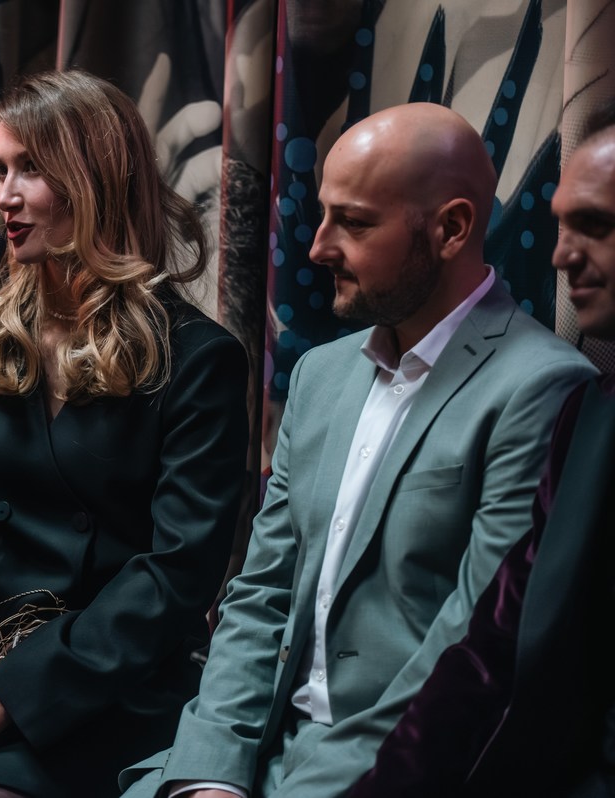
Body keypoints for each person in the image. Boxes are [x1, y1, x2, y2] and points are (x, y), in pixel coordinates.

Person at [118, 102, 598, 798]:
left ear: (452, 228)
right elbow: (261, 593)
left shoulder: (542, 388)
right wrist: (210, 775)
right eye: (324, 215)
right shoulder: (320, 374)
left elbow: (470, 650)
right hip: (251, 755)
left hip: (385, 771)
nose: (318, 248)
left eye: (355, 222)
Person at [0, 70, 250, 798]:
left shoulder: (197, 359)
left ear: (95, 181)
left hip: (108, 682)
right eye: (0, 170)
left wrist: (15, 694)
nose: (5, 196)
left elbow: (177, 577)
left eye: (31, 169)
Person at [348, 103, 615, 798]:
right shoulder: (592, 416)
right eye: (562, 225)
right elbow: (495, 645)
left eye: (597, 225)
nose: (560, 255)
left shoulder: (553, 387)